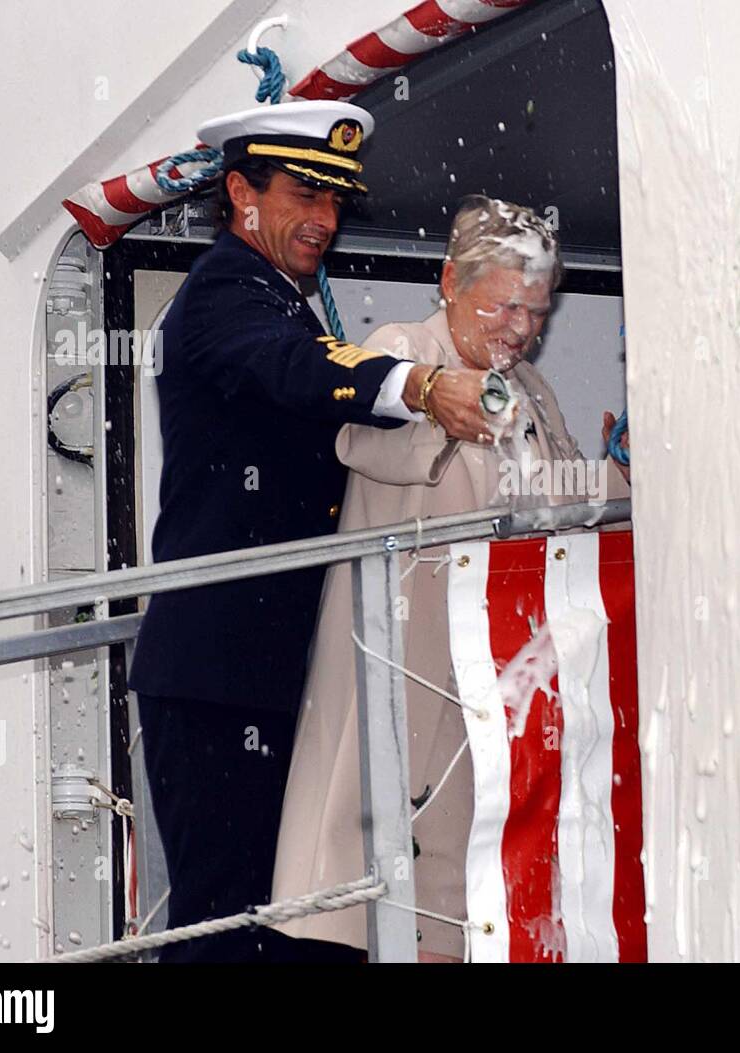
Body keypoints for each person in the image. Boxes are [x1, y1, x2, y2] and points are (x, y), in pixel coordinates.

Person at [127, 102, 503, 963]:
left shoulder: (281, 302)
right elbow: (303, 372)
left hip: (272, 670)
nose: (326, 221)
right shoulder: (226, 292)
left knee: (290, 923)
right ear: (239, 193)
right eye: (305, 194)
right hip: (222, 671)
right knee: (226, 925)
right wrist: (417, 383)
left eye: (337, 202)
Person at [270, 195, 630, 961]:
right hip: (409, 660)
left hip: (494, 672)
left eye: (537, 310)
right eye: (503, 305)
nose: (521, 327)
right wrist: (442, 399)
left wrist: (627, 474)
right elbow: (362, 440)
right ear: (449, 283)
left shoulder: (531, 388)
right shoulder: (406, 347)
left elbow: (553, 493)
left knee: (468, 891)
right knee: (402, 882)